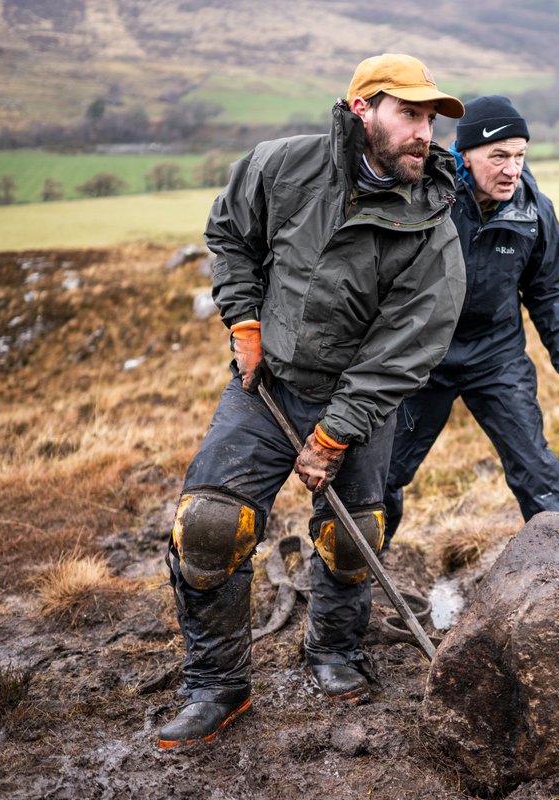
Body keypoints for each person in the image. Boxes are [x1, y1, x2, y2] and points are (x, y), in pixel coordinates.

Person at [157, 54, 466, 748]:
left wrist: (334, 434)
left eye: (430, 120)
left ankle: (333, 650)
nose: (424, 132)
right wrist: (243, 321)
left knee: (350, 539)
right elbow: (232, 235)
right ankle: (217, 687)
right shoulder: (280, 166)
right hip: (266, 387)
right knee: (209, 526)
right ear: (364, 111)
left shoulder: (433, 225)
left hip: (360, 400)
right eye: (409, 115)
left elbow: (406, 348)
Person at [382, 95, 559, 549]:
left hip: (496, 358)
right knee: (383, 474)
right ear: (465, 155)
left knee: (538, 472)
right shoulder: (427, 199)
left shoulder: (534, 212)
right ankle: (357, 575)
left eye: (519, 156)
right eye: (498, 156)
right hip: (423, 360)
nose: (511, 169)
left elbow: (546, 297)